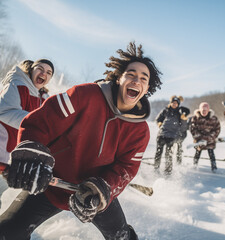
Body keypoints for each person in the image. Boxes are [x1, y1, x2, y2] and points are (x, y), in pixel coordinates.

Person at [0, 42, 162, 240]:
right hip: (51, 183)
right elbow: (40, 122)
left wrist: (104, 188)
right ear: (119, 77)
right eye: (131, 74)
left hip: (95, 194)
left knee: (122, 237)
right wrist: (33, 152)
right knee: (8, 231)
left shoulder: (140, 132)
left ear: (147, 88)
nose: (136, 80)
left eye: (143, 78)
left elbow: (126, 168)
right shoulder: (84, 95)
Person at [0, 59, 54, 165]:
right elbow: (4, 112)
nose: (43, 74)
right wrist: (36, 122)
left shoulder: (44, 98)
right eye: (40, 68)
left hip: (14, 156)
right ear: (31, 70)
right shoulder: (17, 84)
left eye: (49, 73)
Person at [154, 95, 184, 174]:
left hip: (172, 136)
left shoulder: (179, 112)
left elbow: (183, 123)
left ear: (178, 104)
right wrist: (159, 123)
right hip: (162, 134)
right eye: (173, 103)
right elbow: (158, 119)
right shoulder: (165, 110)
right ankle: (156, 168)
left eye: (176, 103)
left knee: (169, 154)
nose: (174, 104)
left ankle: (168, 170)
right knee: (158, 152)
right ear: (170, 103)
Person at [190, 102, 221, 172]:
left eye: (205, 110)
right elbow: (192, 129)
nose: (204, 111)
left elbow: (217, 129)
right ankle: (194, 165)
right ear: (200, 110)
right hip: (199, 140)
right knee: (198, 151)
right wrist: (200, 138)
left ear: (208, 110)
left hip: (210, 140)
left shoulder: (214, 118)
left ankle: (214, 167)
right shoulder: (195, 118)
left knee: (211, 152)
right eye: (202, 110)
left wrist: (209, 138)